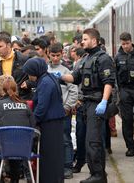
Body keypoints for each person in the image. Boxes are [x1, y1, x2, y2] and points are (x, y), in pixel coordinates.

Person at [61, 28, 116, 183]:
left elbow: (108, 82)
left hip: (97, 102)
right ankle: (96, 174)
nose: (82, 41)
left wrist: (104, 101)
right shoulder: (86, 58)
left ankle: (98, 175)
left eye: (85, 39)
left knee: (94, 141)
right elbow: (74, 77)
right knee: (88, 141)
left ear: (94, 40)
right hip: (87, 104)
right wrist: (59, 77)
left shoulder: (103, 58)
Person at [0, 75, 35, 183]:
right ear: (16, 90)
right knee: (16, 143)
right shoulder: (25, 105)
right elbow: (33, 126)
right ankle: (15, 179)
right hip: (24, 149)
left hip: (4, 148)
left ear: (2, 91)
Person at [22, 57, 65, 183]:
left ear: (35, 71)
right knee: (55, 155)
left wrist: (33, 122)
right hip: (55, 121)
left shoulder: (45, 83)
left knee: (49, 155)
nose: (29, 76)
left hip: (50, 124)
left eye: (29, 73)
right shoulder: (48, 78)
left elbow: (42, 106)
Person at [48, 43, 78, 179]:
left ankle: (67, 167)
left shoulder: (66, 71)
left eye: (57, 55)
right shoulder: (45, 69)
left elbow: (73, 91)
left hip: (63, 111)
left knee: (65, 139)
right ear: (49, 54)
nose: (55, 58)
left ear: (62, 54)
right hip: (49, 111)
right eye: (53, 55)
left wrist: (67, 107)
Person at [0, 35, 32, 100]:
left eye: (0, 46)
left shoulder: (23, 59)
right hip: (4, 98)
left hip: (22, 97)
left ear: (9, 45)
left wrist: (28, 83)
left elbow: (34, 76)